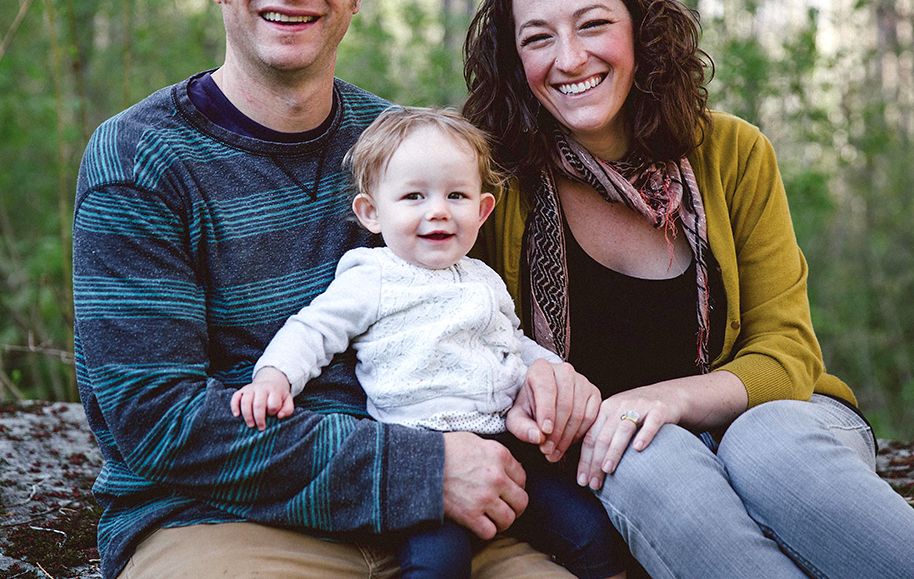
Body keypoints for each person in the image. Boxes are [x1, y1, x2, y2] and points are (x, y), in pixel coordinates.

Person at [72, 0, 595, 579]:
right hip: (227, 524)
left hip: (451, 516)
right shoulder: (140, 161)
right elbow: (154, 420)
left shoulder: (402, 151)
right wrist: (416, 469)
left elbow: (463, 318)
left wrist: (535, 379)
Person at [462, 0, 914, 579]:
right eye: (538, 37)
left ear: (640, 32)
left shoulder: (732, 153)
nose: (569, 58)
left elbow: (787, 354)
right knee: (643, 454)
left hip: (787, 425)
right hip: (629, 455)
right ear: (514, 60)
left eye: (593, 24)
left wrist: (663, 398)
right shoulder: (492, 182)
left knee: (763, 441)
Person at [232, 107, 626, 579]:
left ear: (482, 211)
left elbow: (513, 343)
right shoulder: (372, 276)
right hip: (420, 457)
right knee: (440, 562)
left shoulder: (483, 279)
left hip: (504, 444)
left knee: (592, 533)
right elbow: (313, 330)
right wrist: (274, 376)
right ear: (371, 213)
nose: (437, 210)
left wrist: (554, 371)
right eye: (414, 196)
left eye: (455, 195)